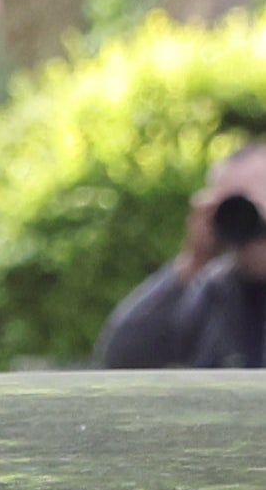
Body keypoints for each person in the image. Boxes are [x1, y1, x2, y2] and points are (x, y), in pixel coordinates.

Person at [100, 142, 266, 366]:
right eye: (233, 206)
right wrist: (192, 263)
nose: (247, 217)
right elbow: (121, 355)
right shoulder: (214, 291)